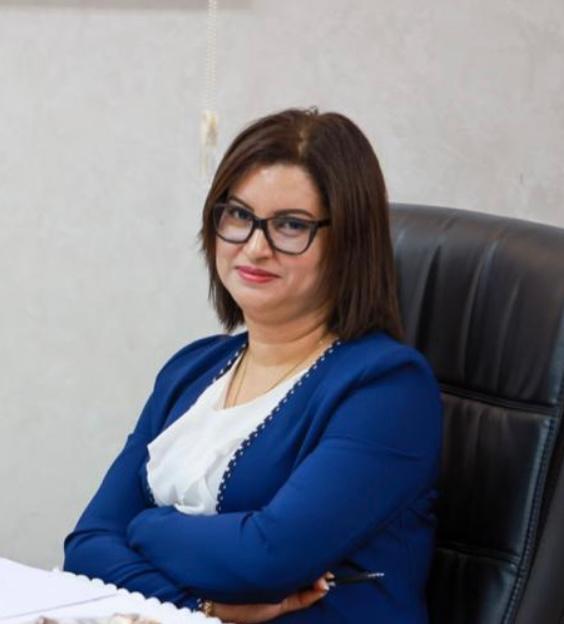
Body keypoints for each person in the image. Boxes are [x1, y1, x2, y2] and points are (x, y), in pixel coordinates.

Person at [64, 107, 442, 623]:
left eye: (291, 225)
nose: (255, 247)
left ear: (348, 243)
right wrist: (203, 606)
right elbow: (87, 547)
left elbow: (266, 559)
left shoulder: (387, 389)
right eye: (239, 216)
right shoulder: (192, 370)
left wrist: (147, 525)